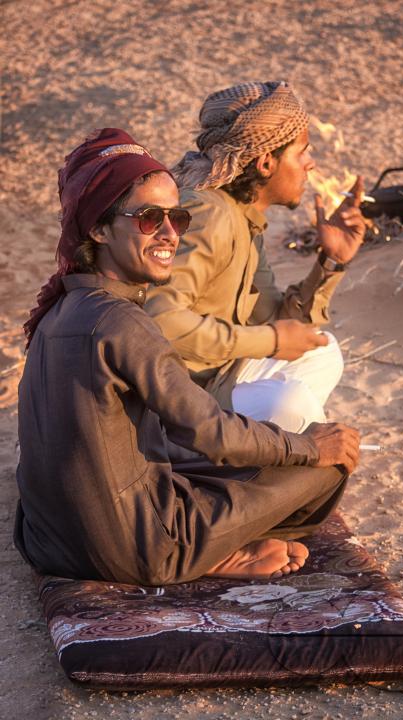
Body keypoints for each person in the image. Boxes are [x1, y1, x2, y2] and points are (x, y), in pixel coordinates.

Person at [14, 128, 360, 587]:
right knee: (328, 467)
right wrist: (310, 447)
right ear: (98, 228)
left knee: (229, 459)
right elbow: (210, 432)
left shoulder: (59, 312)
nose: (170, 234)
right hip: (141, 550)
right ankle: (212, 557)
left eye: (177, 218)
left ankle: (214, 537)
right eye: (149, 219)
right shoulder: (121, 321)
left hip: (49, 545)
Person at [145, 80, 366, 433]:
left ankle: (260, 452)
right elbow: (159, 321)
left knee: (322, 352)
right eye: (302, 152)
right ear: (265, 163)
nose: (310, 165)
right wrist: (272, 340)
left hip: (216, 375)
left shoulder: (243, 216)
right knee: (288, 404)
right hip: (172, 397)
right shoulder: (208, 215)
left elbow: (273, 318)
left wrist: (330, 263)